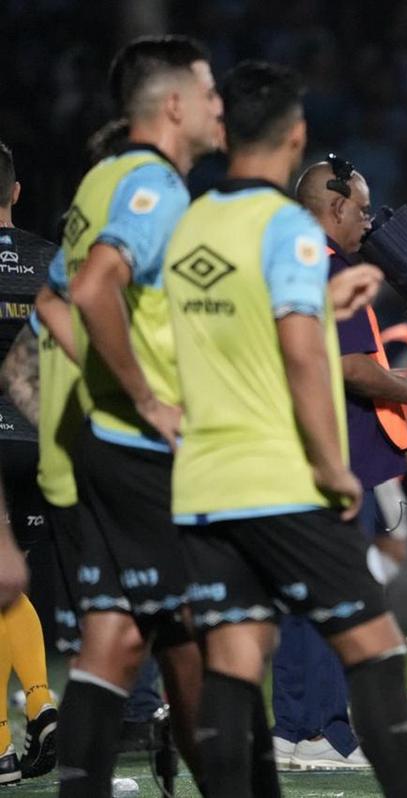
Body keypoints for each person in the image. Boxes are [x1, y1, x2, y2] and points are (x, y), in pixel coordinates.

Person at [162, 59, 407, 798]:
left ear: (224, 130)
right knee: (374, 642)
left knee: (235, 657)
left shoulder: (190, 224)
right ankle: (341, 746)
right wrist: (332, 465)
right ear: (295, 132)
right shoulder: (290, 232)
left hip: (203, 475)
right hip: (278, 473)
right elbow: (309, 357)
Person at [36, 35, 223, 796]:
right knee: (199, 646)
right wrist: (146, 398)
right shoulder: (155, 188)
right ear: (175, 104)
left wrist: (110, 388)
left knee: (115, 645)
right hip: (145, 455)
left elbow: (51, 299)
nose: (220, 109)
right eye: (210, 94)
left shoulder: (99, 178)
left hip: (96, 450)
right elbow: (89, 292)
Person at [264, 157, 407, 771]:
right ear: (336, 205)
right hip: (334, 457)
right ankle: (323, 730)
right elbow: (349, 366)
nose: (368, 222)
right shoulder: (327, 264)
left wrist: (401, 381)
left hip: (300, 454)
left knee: (304, 599)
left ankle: (293, 730)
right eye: (363, 208)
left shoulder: (292, 259)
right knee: (339, 597)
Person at [0, 140, 59, 787]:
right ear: (15, 193)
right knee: (8, 588)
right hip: (38, 441)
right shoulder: (51, 260)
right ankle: (41, 702)